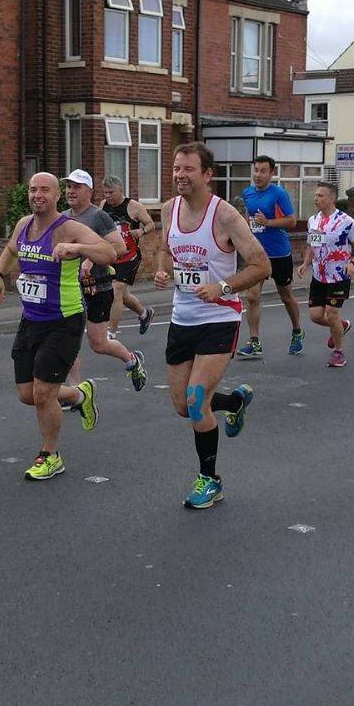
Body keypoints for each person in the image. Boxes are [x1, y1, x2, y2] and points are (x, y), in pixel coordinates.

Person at [154, 142, 271, 509]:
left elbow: (260, 265)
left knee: (195, 401)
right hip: (182, 318)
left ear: (207, 174)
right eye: (176, 168)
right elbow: (164, 248)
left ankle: (210, 479)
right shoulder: (169, 209)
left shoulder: (225, 216)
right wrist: (161, 269)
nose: (179, 175)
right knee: (180, 405)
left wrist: (222, 286)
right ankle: (235, 400)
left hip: (219, 318)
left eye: (188, 169)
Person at [0, 172, 117, 481]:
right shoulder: (23, 225)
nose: (37, 195)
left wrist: (79, 249)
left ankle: (50, 455)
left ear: (57, 195)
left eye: (44, 189)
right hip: (31, 319)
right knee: (27, 394)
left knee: (44, 393)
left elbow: (110, 252)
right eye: (33, 189)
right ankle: (79, 395)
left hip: (64, 320)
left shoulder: (70, 228)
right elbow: (10, 250)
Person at [62, 169, 148, 391]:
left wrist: (89, 257)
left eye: (76, 187)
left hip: (97, 288)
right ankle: (76, 390)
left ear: (89, 191)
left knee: (98, 344)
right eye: (68, 186)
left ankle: (131, 359)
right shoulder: (62, 217)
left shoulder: (98, 216)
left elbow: (118, 247)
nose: (71, 191)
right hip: (69, 289)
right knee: (69, 341)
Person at [237, 155, 305, 358]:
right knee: (252, 296)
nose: (258, 175)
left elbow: (292, 221)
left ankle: (297, 331)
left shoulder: (278, 194)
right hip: (257, 254)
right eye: (255, 170)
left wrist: (268, 222)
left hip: (279, 254)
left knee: (286, 296)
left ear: (271, 173)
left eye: (262, 171)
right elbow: (247, 220)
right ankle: (254, 341)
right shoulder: (247, 193)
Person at [296, 181, 354, 367]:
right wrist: (304, 263)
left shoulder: (346, 222)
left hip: (339, 275)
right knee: (315, 316)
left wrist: (353, 263)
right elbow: (311, 245)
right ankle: (340, 327)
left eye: (320, 195)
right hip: (319, 276)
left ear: (332, 199)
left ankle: (338, 352)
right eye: (316, 195)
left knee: (332, 313)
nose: (315, 198)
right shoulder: (313, 220)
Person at [99, 175, 156, 340]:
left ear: (120, 190)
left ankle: (111, 332)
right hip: (111, 256)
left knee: (116, 292)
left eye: (111, 192)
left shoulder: (134, 206)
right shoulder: (103, 205)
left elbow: (151, 224)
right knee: (123, 296)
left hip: (129, 256)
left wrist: (142, 231)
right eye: (105, 192)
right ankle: (144, 313)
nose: (108, 196)